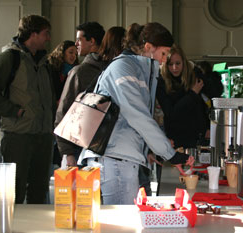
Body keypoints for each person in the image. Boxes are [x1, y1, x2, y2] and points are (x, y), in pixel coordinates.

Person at [79, 22, 195, 205]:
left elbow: (131, 119)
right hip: (114, 159)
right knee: (122, 225)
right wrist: (169, 154)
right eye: (163, 53)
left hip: (120, 157)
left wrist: (148, 149)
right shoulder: (124, 68)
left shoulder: (137, 70)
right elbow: (138, 116)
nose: (165, 60)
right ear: (148, 47)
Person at [0, 15, 54, 204]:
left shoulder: (44, 63)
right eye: (45, 33)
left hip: (43, 136)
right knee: (15, 190)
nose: (48, 38)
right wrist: (15, 111)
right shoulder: (9, 58)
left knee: (39, 189)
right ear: (33, 34)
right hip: (18, 135)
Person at [55, 22, 108, 166]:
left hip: (80, 147)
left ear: (92, 41)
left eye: (79, 39)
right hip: (108, 148)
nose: (76, 43)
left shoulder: (79, 72)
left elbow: (64, 113)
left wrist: (67, 152)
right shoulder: (113, 70)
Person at [157, 46, 210, 149]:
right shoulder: (161, 82)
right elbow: (171, 113)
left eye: (177, 63)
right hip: (176, 138)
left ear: (184, 63)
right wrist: (192, 94)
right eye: (170, 64)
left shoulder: (194, 76)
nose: (174, 68)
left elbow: (204, 104)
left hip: (198, 137)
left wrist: (207, 127)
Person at [48, 40, 78, 167]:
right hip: (53, 114)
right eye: (70, 52)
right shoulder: (51, 69)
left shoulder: (75, 71)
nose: (73, 56)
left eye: (75, 54)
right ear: (62, 53)